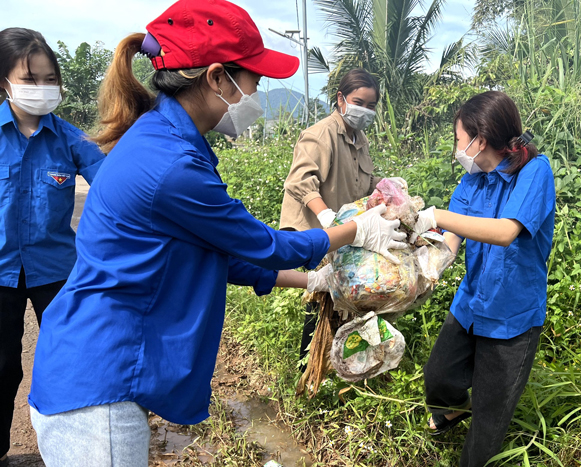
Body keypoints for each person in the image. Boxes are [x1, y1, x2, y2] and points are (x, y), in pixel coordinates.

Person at [27, 1, 406, 466]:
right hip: (100, 380)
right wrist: (356, 229)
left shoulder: (167, 142)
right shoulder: (171, 166)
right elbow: (266, 245)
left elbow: (217, 257)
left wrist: (314, 280)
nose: (258, 95)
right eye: (255, 81)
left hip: (97, 372)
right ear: (217, 78)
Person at [410, 91, 556, 467]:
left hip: (511, 316)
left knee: (489, 420)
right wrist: (419, 261)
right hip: (471, 302)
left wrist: (437, 215)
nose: (457, 148)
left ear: (480, 139)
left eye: (459, 139)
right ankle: (454, 409)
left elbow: (506, 231)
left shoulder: (535, 172)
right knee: (438, 377)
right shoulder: (472, 181)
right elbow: (450, 242)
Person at [0, 28, 105, 467]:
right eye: (29, 79)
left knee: (72, 361)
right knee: (3, 368)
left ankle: (74, 450)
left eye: (48, 80)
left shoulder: (71, 139)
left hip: (58, 270)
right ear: (3, 82)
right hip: (1, 272)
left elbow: (115, 188)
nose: (41, 90)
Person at [280, 68, 404, 367]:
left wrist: (385, 186)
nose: (365, 110)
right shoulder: (320, 134)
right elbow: (300, 182)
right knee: (324, 296)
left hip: (347, 230)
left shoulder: (359, 138)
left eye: (371, 106)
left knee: (346, 296)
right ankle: (310, 366)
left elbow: (363, 182)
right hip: (316, 231)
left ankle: (343, 364)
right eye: (359, 102)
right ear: (341, 99)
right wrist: (326, 216)